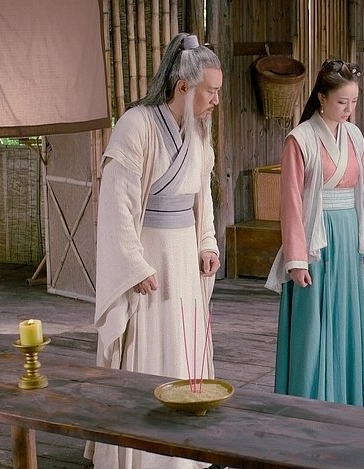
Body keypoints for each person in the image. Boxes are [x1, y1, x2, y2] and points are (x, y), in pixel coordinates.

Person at [89, 33, 222, 469]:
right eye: (210, 91)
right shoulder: (136, 125)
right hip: (150, 256)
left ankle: (186, 450)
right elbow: (117, 203)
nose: (215, 101)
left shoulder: (199, 131)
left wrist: (207, 242)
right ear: (183, 86)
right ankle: (143, 453)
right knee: (150, 347)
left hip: (184, 254)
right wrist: (134, 265)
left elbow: (202, 194)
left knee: (185, 347)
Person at [265, 58, 364, 407]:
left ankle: (347, 401)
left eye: (354, 101)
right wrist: (296, 259)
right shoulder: (300, 139)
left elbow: (362, 191)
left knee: (345, 319)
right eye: (342, 101)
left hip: (347, 233)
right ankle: (308, 403)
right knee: (313, 323)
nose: (348, 109)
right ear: (322, 98)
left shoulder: (354, 136)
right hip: (316, 238)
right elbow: (291, 203)